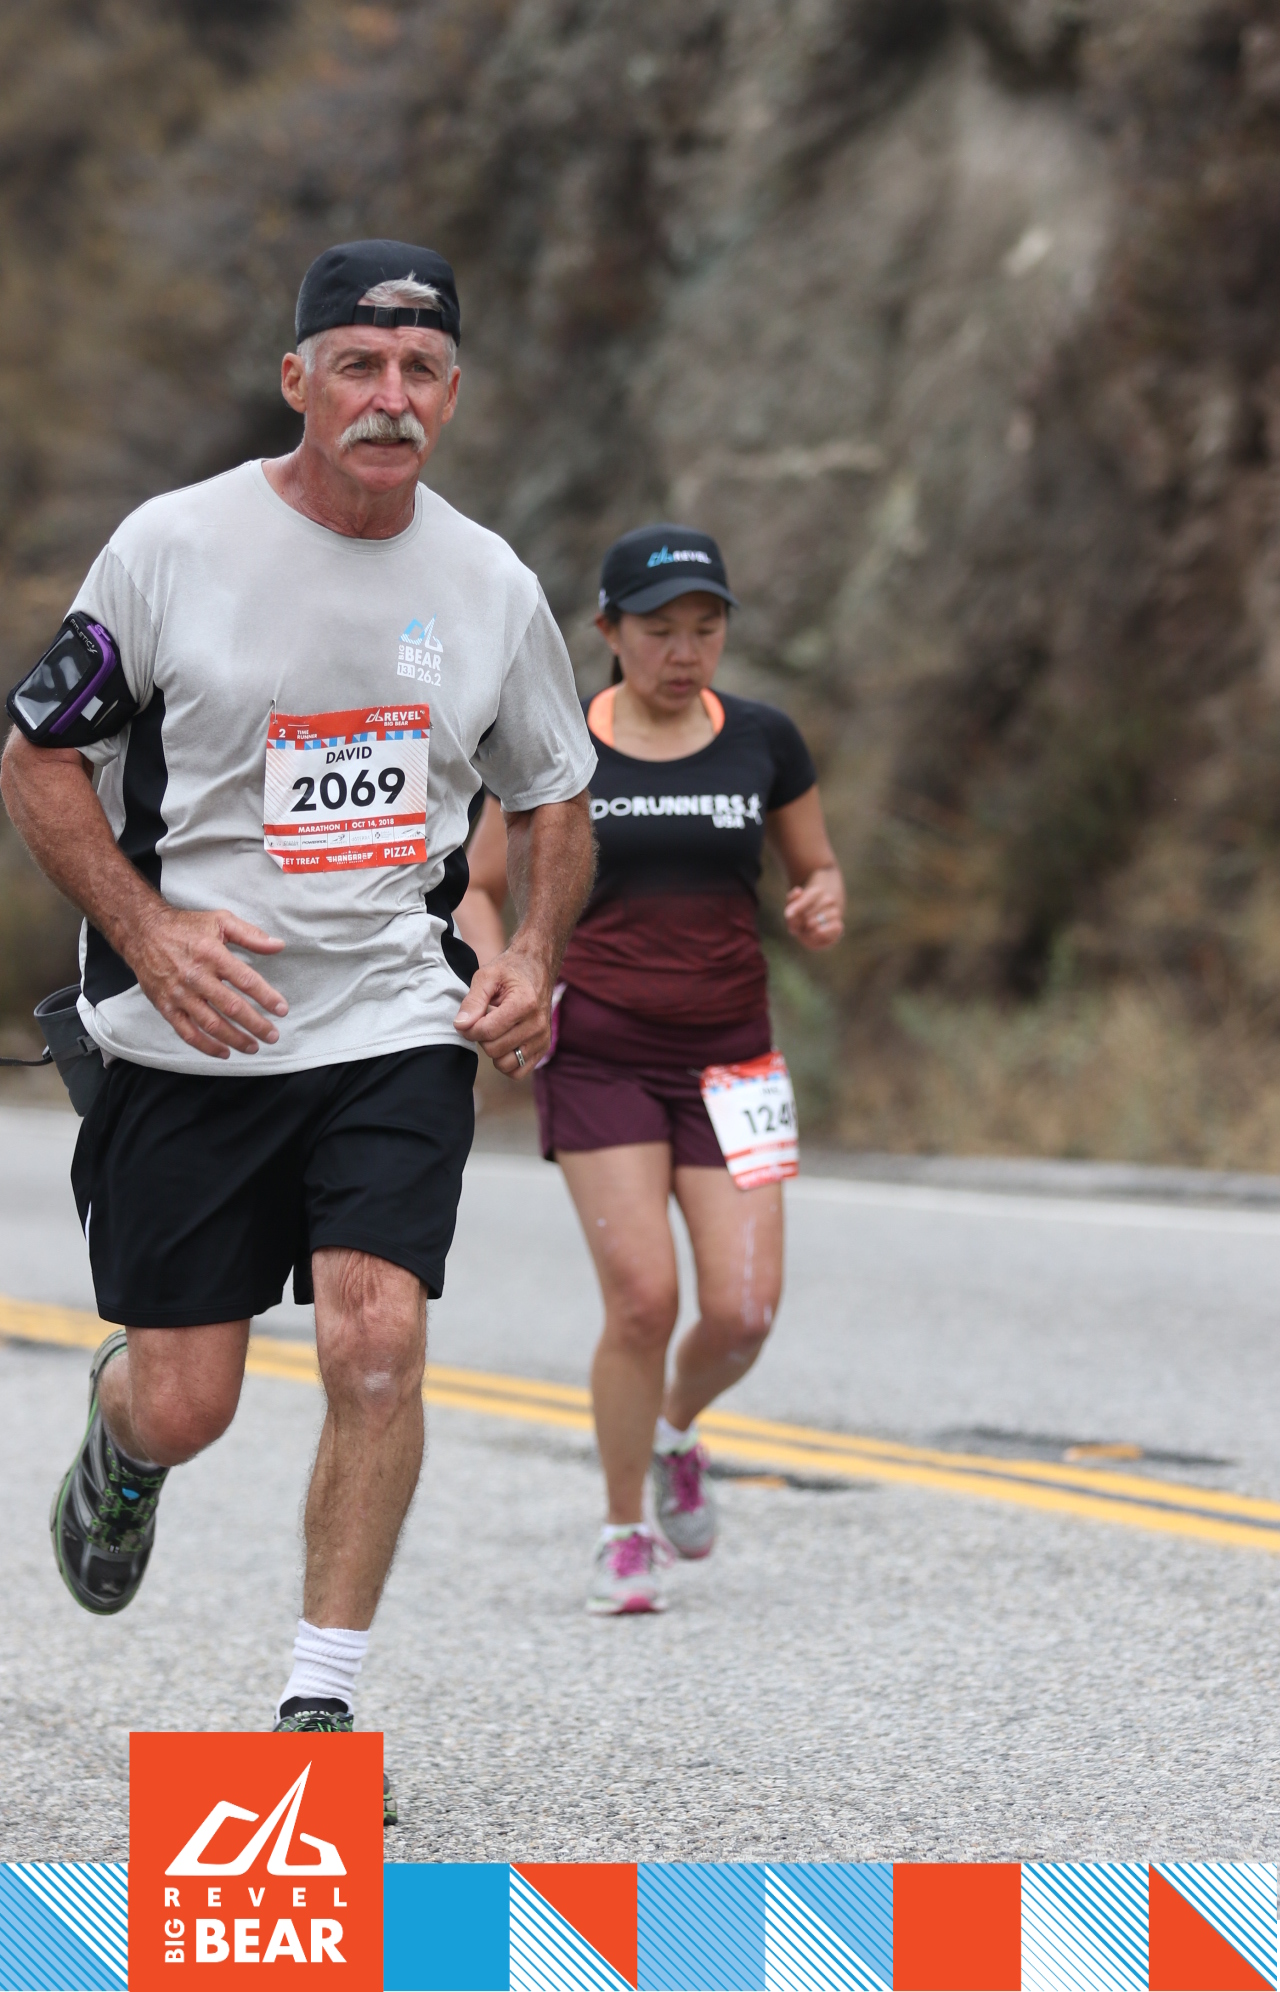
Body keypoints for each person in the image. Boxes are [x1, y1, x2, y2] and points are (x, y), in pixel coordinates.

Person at [0, 239, 596, 1815]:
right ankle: (122, 1444)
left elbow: (553, 794)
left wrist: (534, 951)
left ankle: (316, 1705)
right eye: (358, 367)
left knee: (374, 1342)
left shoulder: (490, 586)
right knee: (187, 1402)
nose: (389, 399)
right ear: (299, 381)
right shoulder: (171, 548)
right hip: (190, 1027)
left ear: (452, 394)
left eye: (419, 372)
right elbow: (37, 760)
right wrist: (148, 931)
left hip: (394, 1013)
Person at [522, 522, 844, 1612]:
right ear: (609, 631)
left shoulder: (764, 740)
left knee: (745, 1310)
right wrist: (508, 974)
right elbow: (481, 883)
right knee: (644, 1300)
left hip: (734, 1057)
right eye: (660, 629)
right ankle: (623, 1534)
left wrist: (820, 902)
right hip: (600, 1054)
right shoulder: (559, 745)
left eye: (706, 628)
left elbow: (816, 868)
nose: (684, 650)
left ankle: (673, 1434)